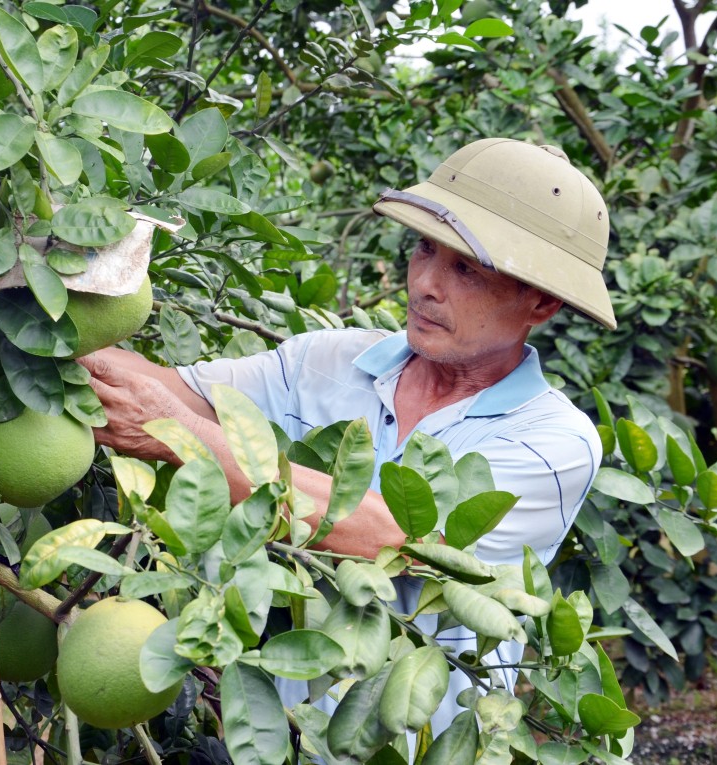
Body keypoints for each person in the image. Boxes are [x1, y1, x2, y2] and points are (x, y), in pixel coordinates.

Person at [78, 137, 616, 748]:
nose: (426, 284)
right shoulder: (331, 359)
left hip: (401, 746)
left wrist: (184, 441)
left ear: (541, 301)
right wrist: (40, 320)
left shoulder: (554, 442)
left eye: (465, 268)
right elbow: (177, 393)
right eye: (423, 250)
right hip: (264, 734)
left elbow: (392, 534)